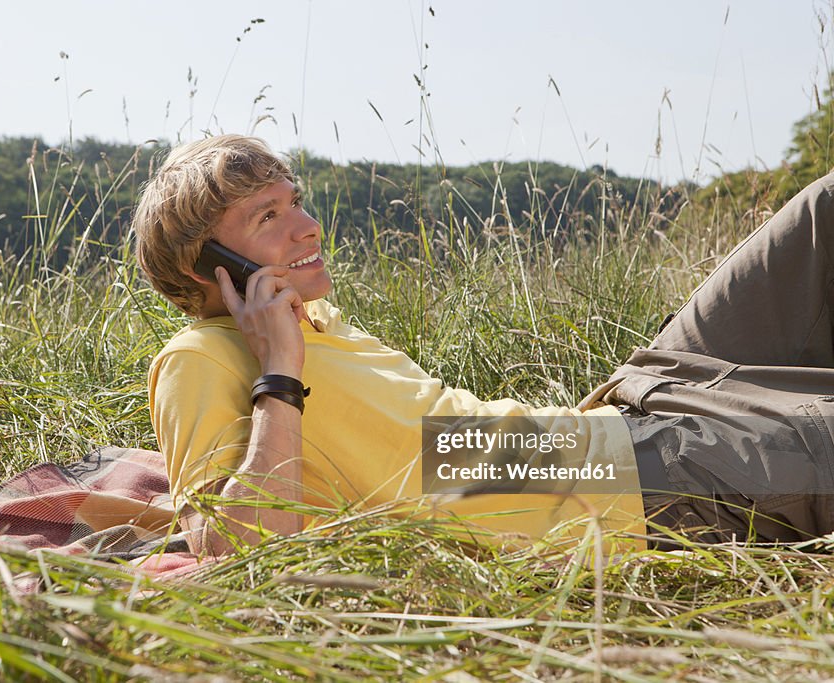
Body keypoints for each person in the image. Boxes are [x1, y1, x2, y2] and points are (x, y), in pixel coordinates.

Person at [133, 134, 834, 557]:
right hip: (625, 487)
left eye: (296, 200)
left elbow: (448, 444)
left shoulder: (318, 316)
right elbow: (241, 546)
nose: (309, 226)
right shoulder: (202, 359)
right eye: (269, 217)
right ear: (210, 269)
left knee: (820, 214)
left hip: (619, 408)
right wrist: (279, 376)